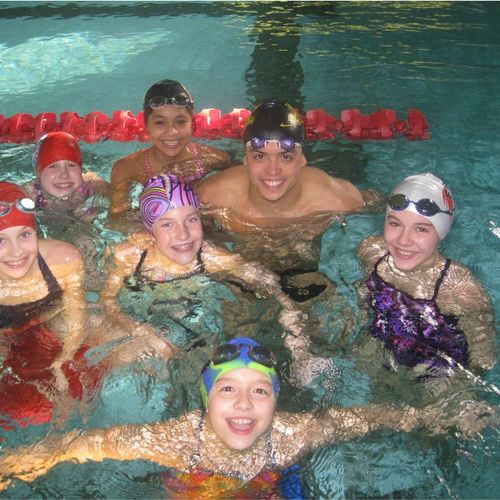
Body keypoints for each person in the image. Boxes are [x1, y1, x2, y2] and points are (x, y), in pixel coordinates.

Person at [0, 337, 494, 496]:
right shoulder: (171, 440)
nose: (243, 405)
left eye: (259, 391)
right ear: (204, 401)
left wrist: (450, 416)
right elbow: (72, 445)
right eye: (227, 391)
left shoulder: (298, 432)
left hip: (280, 476)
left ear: (276, 401)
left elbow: (381, 416)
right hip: (193, 478)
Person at [101, 174, 308, 364]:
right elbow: (107, 300)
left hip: (192, 327)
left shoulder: (210, 257)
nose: (183, 235)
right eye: (167, 225)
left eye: (191, 220)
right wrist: (137, 329)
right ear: (150, 230)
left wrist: (290, 315)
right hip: (137, 321)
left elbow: (263, 278)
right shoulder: (130, 256)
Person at [356, 173, 496, 386]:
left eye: (421, 229)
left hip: (438, 374)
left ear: (441, 233)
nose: (404, 240)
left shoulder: (461, 289)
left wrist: (457, 390)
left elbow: (484, 357)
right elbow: (364, 296)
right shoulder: (372, 252)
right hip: (385, 349)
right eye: (395, 224)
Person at [0, 181, 91, 428]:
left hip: (52, 325)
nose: (16, 251)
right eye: (1, 241)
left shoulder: (63, 260)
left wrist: (64, 359)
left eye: (24, 234)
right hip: (6, 341)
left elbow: (76, 315)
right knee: (28, 412)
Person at [195, 99, 365, 230]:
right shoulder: (211, 196)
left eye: (285, 157)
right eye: (260, 157)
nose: (273, 170)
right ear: (245, 159)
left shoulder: (335, 200)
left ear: (303, 159)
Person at [109, 79, 232, 216]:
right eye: (160, 123)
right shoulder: (127, 169)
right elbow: (116, 220)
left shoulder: (213, 158)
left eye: (180, 122)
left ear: (192, 124)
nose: (172, 132)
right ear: (146, 125)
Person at [27, 131, 109, 218]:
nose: (64, 175)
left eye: (71, 165)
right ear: (38, 173)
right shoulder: (30, 196)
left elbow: (119, 197)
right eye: (53, 166)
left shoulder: (91, 184)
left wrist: (95, 204)